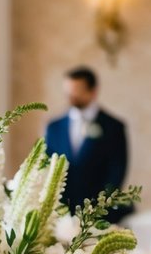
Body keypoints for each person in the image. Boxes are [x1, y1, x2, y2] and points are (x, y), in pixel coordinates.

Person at [44, 66, 133, 223]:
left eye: (76, 90)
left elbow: (117, 171)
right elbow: (47, 165)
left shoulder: (114, 127)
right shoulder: (54, 127)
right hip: (60, 215)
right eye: (68, 90)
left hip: (99, 216)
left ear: (93, 91)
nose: (70, 95)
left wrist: (99, 208)